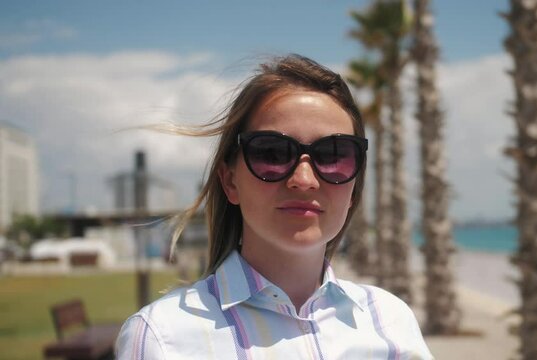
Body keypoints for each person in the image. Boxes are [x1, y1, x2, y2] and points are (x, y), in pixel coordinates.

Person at [115, 54, 434, 359]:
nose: (305, 179)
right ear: (230, 181)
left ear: (353, 189)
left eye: (334, 155)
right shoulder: (162, 337)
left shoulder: (391, 320)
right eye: (272, 153)